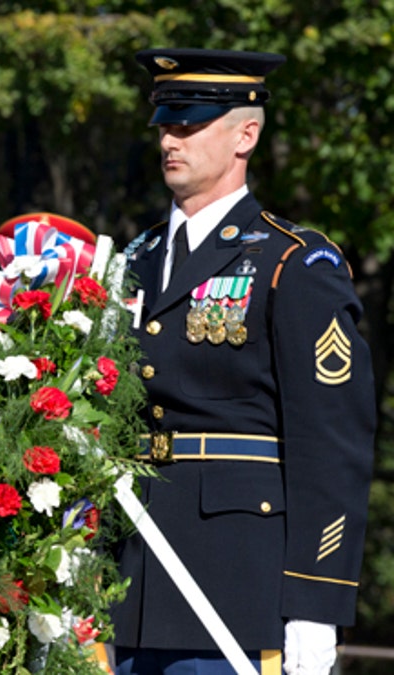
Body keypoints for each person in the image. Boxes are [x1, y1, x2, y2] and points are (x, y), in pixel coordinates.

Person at [111, 48, 376, 675]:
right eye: (166, 124)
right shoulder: (133, 260)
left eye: (191, 123)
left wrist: (316, 602)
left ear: (246, 135)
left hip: (237, 592)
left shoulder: (292, 264)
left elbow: (331, 444)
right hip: (132, 583)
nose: (172, 139)